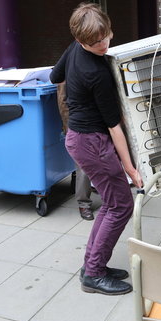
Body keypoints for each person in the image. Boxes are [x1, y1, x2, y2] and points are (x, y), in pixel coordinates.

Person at [50, 2, 143, 295]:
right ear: (80, 40)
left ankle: (93, 264)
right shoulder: (98, 73)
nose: (103, 45)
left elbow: (55, 77)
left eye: (105, 37)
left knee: (111, 203)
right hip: (92, 142)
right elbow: (115, 126)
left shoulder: (75, 48)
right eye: (94, 42)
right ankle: (93, 274)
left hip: (78, 137)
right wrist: (130, 169)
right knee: (121, 205)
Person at [57, 81, 95, 220]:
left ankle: (106, 196)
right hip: (78, 125)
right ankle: (84, 204)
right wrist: (69, 127)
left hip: (97, 122)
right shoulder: (68, 70)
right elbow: (62, 101)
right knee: (83, 166)